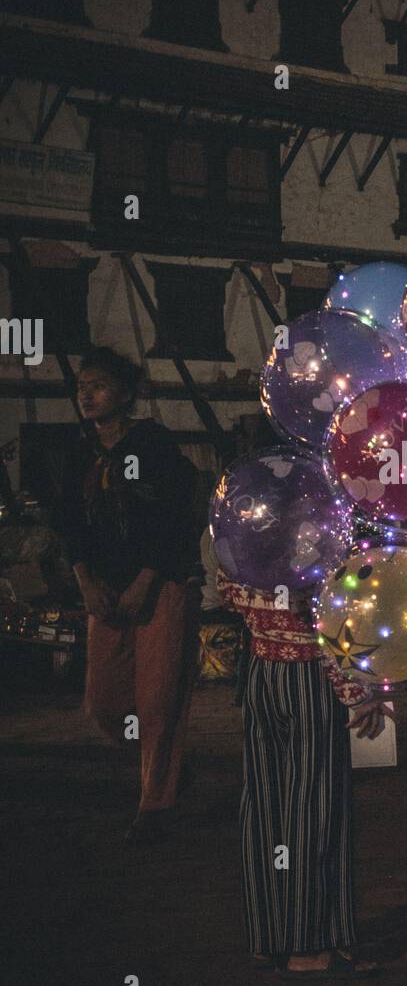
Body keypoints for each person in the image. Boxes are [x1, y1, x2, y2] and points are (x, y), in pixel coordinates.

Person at [217, 566, 392, 977]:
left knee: (266, 801)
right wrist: (355, 691)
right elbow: (324, 621)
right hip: (308, 678)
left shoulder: (242, 516)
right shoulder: (312, 526)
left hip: (262, 671)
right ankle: (308, 944)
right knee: (314, 804)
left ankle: (269, 936)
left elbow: (227, 593)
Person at [60, 347, 200, 842]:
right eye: (82, 387)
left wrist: (148, 580)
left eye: (97, 385)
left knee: (158, 700)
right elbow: (70, 524)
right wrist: (85, 580)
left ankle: (155, 805)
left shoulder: (151, 443)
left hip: (159, 586)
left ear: (124, 393)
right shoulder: (80, 452)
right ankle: (166, 763)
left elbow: (173, 517)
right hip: (105, 589)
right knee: (104, 702)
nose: (86, 394)